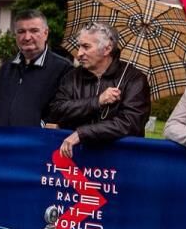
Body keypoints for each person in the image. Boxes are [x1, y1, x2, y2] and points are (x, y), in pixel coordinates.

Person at [49, 22, 151, 157]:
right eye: (79, 46)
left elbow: (131, 123)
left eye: (86, 47)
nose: (79, 53)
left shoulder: (134, 79)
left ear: (107, 49)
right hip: (76, 159)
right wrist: (97, 101)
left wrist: (82, 133)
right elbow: (56, 111)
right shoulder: (72, 77)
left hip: (118, 160)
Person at [0, 9, 72, 127]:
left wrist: (41, 125)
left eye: (34, 31)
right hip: (3, 137)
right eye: (21, 31)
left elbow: (65, 111)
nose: (27, 37)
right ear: (15, 35)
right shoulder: (7, 67)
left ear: (46, 33)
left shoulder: (63, 68)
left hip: (37, 138)